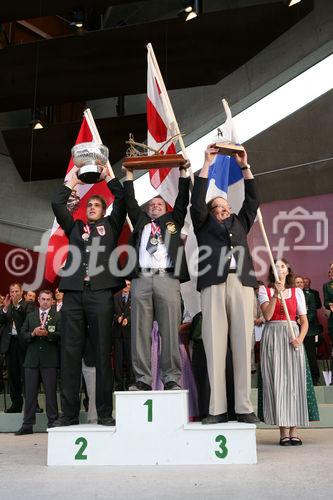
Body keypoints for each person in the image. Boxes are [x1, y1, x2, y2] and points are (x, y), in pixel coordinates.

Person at [51, 167, 126, 426]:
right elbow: (56, 203)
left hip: (101, 294)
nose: (93, 206)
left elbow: (123, 200)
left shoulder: (111, 225)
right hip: (73, 294)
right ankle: (69, 414)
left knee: (103, 352)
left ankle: (104, 412)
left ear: (104, 210)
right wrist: (72, 181)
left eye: (97, 204)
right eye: (90, 204)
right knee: (70, 353)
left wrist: (109, 177)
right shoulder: (75, 226)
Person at [190, 144, 260, 424]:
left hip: (241, 283)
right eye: (217, 207)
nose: (222, 209)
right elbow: (197, 201)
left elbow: (253, 200)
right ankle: (216, 409)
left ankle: (243, 407)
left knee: (243, 345)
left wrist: (245, 166)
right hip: (213, 285)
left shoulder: (241, 222)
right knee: (214, 345)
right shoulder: (203, 222)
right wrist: (206, 163)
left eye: (225, 206)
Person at [123, 162, 190, 391]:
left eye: (159, 203)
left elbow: (183, 199)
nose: (155, 206)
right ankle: (142, 379)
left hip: (167, 279)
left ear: (165, 207)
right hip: (141, 280)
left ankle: (171, 378)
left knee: (170, 329)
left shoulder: (172, 221)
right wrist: (129, 177)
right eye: (151, 204)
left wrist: (183, 174)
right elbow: (130, 203)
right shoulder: (140, 222)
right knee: (140, 332)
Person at [258, 259, 319, 446]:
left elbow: (304, 320)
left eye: (282, 266)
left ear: (288, 270)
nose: (279, 268)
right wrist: (276, 294)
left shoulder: (297, 292)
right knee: (277, 382)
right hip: (273, 337)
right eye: (276, 266)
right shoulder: (264, 291)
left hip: (292, 337)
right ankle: (283, 431)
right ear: (272, 271)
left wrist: (300, 339)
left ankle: (294, 431)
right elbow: (267, 316)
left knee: (294, 382)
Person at [15, 290, 60, 435]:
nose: (45, 301)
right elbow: (22, 335)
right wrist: (33, 334)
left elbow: (62, 334)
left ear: (52, 301)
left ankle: (52, 422)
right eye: (43, 299)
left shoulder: (58, 316)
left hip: (49, 359)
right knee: (30, 393)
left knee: (51, 393)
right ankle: (27, 424)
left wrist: (49, 334)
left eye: (48, 299)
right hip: (32, 360)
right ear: (38, 301)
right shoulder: (30, 316)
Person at [0, 283, 35, 412]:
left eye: (16, 291)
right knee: (13, 376)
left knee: (27, 375)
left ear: (21, 292)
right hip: (10, 344)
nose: (14, 294)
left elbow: (29, 320)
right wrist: (4, 308)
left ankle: (33, 404)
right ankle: (16, 404)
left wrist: (16, 306)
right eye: (12, 291)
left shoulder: (27, 305)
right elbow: (2, 321)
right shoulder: (8, 305)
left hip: (23, 345)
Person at [113, 280, 133, 390]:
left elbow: (137, 312)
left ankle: (131, 383)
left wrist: (128, 320)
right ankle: (118, 384)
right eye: (125, 284)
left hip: (129, 332)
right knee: (118, 360)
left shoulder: (134, 297)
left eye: (129, 284)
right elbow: (111, 312)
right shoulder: (115, 297)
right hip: (117, 333)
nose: (126, 286)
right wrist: (117, 318)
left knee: (130, 359)